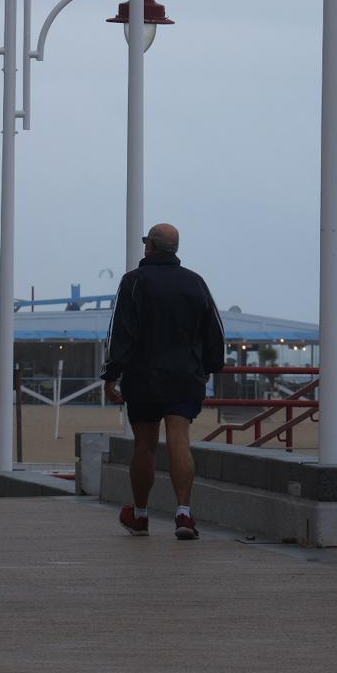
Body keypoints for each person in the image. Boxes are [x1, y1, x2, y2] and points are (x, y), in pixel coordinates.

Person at [102, 223, 225, 540]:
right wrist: (210, 366)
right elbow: (213, 330)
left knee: (144, 445)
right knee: (179, 440)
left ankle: (140, 515)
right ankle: (183, 514)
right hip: (185, 376)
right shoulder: (194, 283)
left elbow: (122, 333)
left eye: (146, 242)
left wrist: (112, 374)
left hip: (142, 378)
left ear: (150, 247)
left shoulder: (134, 282)